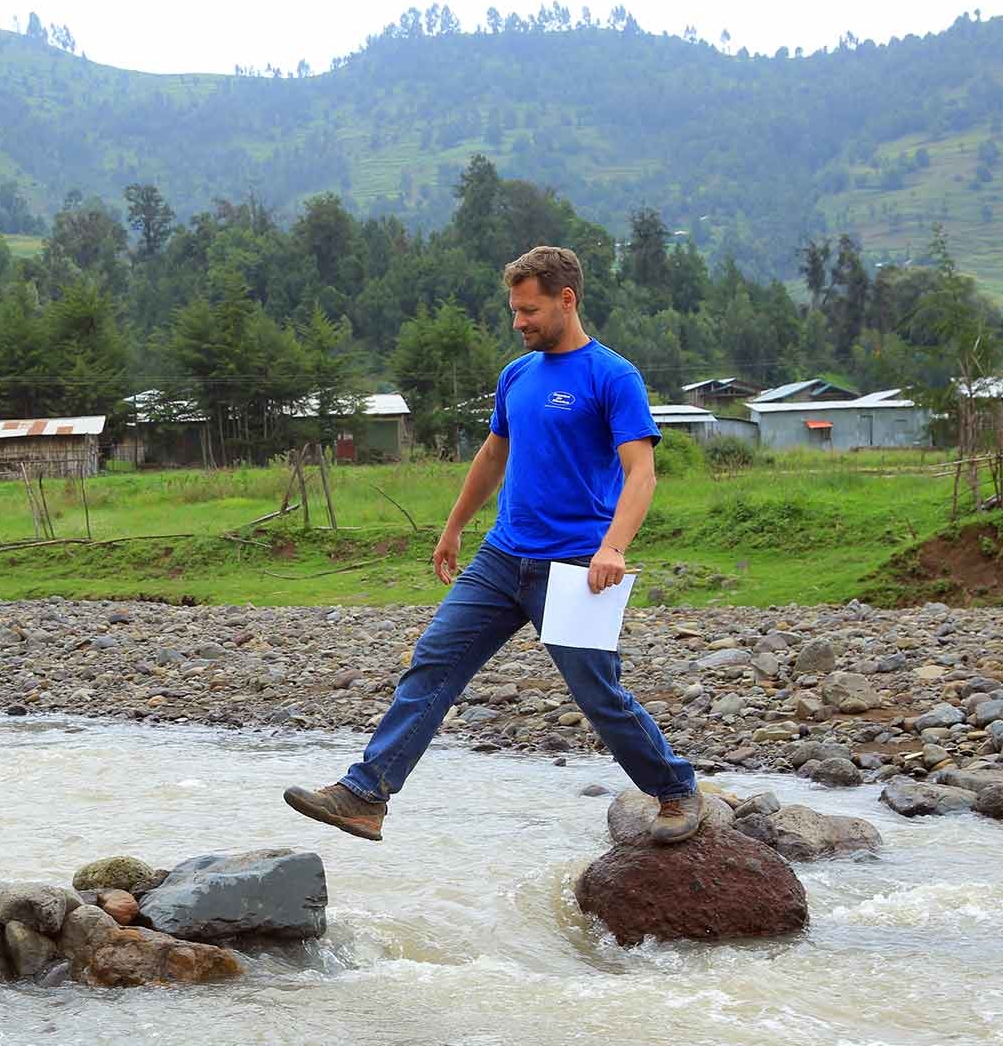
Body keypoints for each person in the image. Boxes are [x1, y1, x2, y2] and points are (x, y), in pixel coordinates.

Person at [285, 245, 702, 844]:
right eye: (514, 310)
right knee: (433, 662)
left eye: (529, 310)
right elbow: (492, 455)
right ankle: (366, 794)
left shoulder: (612, 376)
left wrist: (614, 547)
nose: (519, 322)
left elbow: (642, 474)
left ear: (567, 299)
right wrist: (454, 527)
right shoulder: (517, 375)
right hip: (503, 557)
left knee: (597, 694)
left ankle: (674, 789)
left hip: (578, 565)